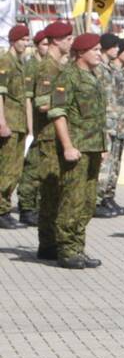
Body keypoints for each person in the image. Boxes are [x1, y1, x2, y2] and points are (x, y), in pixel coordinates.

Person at [49, 33, 107, 269]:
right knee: (72, 200)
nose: (99, 53)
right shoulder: (68, 76)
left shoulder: (93, 76)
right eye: (95, 50)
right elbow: (58, 113)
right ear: (81, 52)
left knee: (87, 202)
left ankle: (78, 247)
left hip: (93, 147)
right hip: (77, 147)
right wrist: (67, 146)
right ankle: (66, 249)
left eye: (100, 49)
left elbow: (97, 115)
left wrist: (103, 146)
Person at [32, 20, 75, 261]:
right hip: (48, 138)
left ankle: (51, 242)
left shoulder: (58, 66)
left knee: (57, 191)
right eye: (67, 38)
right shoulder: (47, 68)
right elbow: (41, 103)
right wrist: (67, 103)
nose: (71, 42)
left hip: (57, 137)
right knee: (50, 191)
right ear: (57, 41)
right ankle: (48, 243)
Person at [93, 34, 124, 218]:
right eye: (115, 47)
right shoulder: (100, 70)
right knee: (104, 164)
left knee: (113, 165)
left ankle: (107, 196)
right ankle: (96, 200)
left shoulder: (110, 70)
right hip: (107, 124)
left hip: (117, 123)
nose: (118, 51)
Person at [16, 29, 50, 226]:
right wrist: (30, 127)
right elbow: (28, 98)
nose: (47, 47)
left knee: (40, 167)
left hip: (44, 125)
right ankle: (26, 207)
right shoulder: (32, 66)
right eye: (44, 44)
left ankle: (35, 205)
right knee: (31, 167)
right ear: (38, 46)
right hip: (34, 123)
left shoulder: (46, 66)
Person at [0, 24, 31, 228]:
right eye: (22, 40)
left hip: (18, 123)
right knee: (6, 169)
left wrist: (29, 125)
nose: (26, 43)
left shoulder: (20, 63)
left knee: (15, 169)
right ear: (13, 40)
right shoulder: (5, 62)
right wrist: (2, 123)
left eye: (27, 40)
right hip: (9, 122)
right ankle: (2, 211)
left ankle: (5, 208)